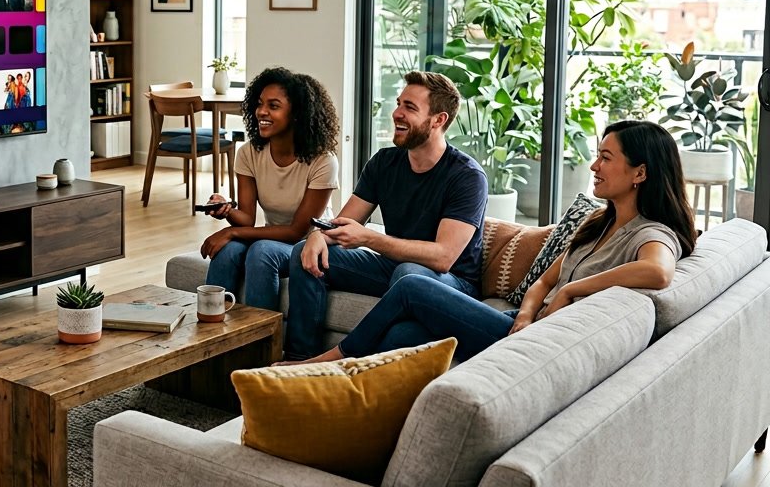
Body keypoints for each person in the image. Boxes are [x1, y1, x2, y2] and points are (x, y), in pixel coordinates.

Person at [282, 120, 695, 365]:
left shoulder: (649, 231)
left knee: (411, 284)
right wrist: (528, 311)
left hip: (550, 342)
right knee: (399, 335)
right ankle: (345, 398)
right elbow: (544, 280)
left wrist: (571, 290)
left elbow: (658, 271)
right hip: (524, 323)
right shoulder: (596, 223)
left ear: (640, 173)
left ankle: (324, 364)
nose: (594, 164)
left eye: (607, 157)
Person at [283, 70, 488, 360]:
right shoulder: (384, 162)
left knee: (409, 274)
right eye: (399, 103)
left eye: (410, 108)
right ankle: (299, 360)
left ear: (438, 120)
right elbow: (344, 221)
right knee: (306, 251)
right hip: (393, 268)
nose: (397, 113)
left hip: (450, 282)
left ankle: (336, 359)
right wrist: (319, 234)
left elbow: (443, 257)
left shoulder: (466, 177)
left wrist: (369, 238)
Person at [201, 67, 340, 312]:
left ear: (297, 113)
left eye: (273, 106)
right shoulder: (249, 153)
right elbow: (246, 218)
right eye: (259, 104)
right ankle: (210, 333)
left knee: (261, 251)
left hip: (309, 243)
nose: (261, 112)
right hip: (274, 236)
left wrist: (232, 233)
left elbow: (297, 231)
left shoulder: (323, 161)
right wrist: (226, 210)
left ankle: (259, 342)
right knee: (227, 251)